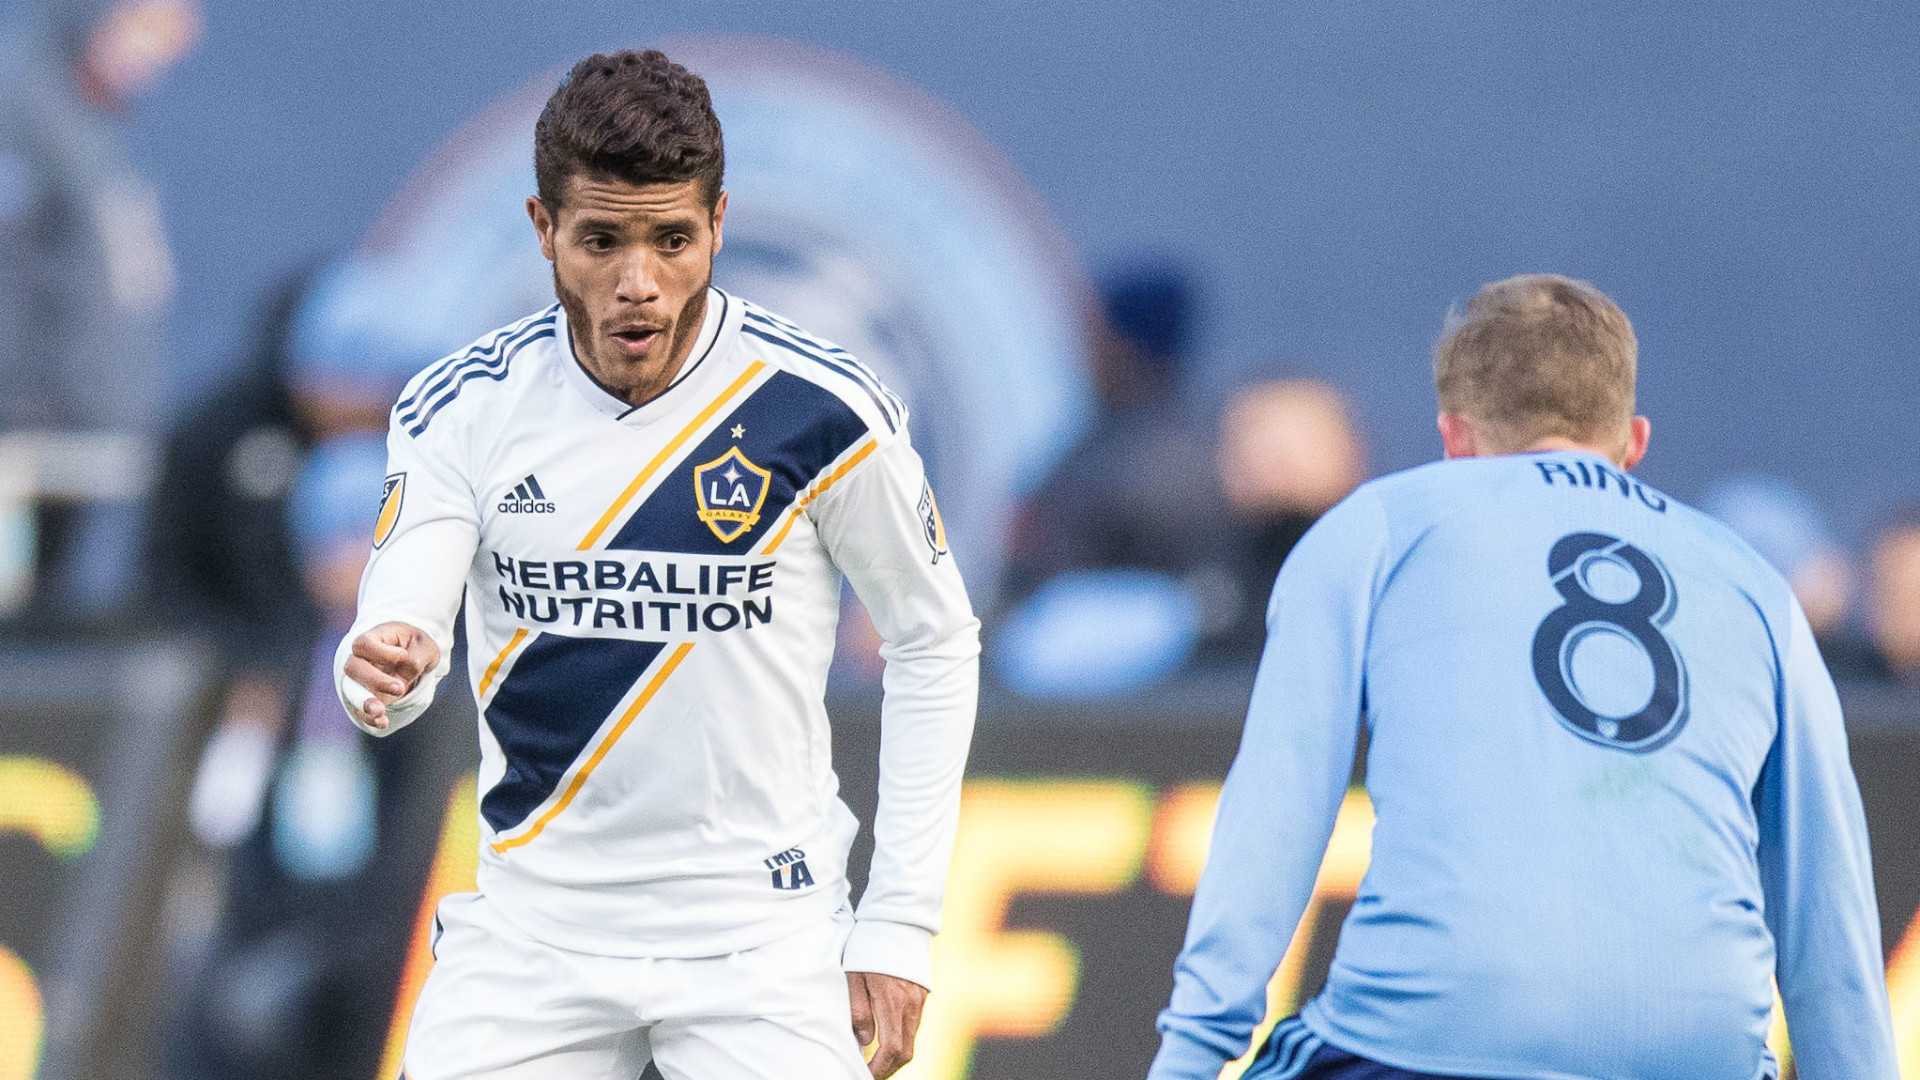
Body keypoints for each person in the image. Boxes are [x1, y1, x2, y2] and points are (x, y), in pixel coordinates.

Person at [334, 50, 978, 1080]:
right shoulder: (464, 407)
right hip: (533, 935)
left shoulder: (820, 410)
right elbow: (398, 626)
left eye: (671, 240)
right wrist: (379, 672)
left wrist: (900, 923)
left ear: (718, 224)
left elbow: (934, 641)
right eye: (601, 240)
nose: (638, 284)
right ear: (543, 229)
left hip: (763, 939)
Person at [1150, 275, 1895, 1080]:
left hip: (1432, 1037)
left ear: (1454, 440)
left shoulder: (1378, 527)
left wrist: (1189, 1057)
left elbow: (1276, 812)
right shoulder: (1755, 587)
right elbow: (1828, 912)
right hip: (1700, 1053)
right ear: (1634, 444)